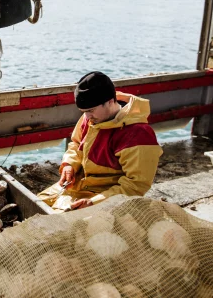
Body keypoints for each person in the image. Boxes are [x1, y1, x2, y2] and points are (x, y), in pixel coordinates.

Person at [38, 71, 163, 211]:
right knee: (36, 205)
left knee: (57, 224)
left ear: (110, 101)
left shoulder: (138, 134)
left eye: (90, 110)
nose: (86, 116)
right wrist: (69, 164)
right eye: (83, 111)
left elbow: (136, 186)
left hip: (107, 197)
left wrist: (94, 202)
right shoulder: (91, 116)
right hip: (77, 185)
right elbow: (76, 144)